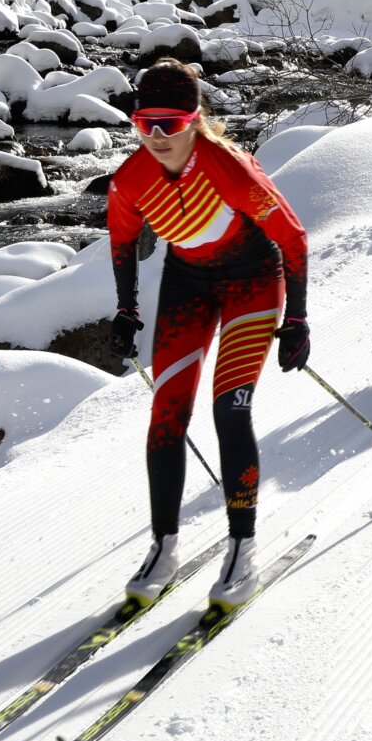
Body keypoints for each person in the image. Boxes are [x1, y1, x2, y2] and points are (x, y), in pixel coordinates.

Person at [107, 59, 310, 610]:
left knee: (230, 409)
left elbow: (292, 238)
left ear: (195, 121)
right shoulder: (131, 180)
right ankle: (164, 547)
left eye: (169, 124)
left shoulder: (229, 168)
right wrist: (126, 311)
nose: (155, 137)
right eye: (144, 123)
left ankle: (243, 549)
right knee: (166, 414)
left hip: (252, 281)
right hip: (186, 283)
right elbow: (123, 244)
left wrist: (297, 318)